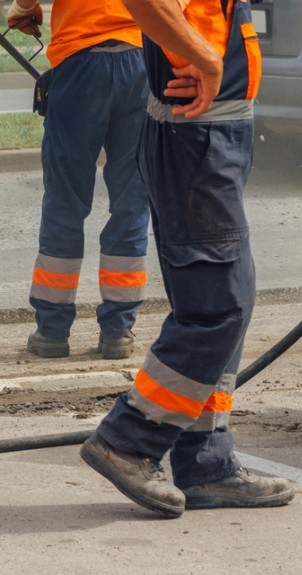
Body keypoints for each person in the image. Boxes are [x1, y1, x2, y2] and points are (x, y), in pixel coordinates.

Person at [75, 0, 294, 517]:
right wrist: (207, 58)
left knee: (223, 304)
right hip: (196, 141)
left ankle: (206, 465)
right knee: (219, 308)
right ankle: (127, 441)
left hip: (212, 136)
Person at [7, 0, 151, 360]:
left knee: (65, 203)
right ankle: (118, 331)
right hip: (141, 59)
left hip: (80, 61)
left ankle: (53, 332)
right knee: (132, 202)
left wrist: (22, 8)